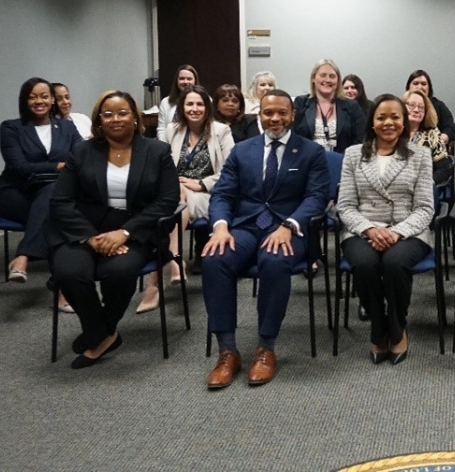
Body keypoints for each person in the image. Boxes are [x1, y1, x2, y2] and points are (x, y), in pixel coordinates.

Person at [201, 89, 330, 389]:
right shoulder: (242, 150)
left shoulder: (310, 152)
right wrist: (220, 226)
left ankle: (265, 348)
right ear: (259, 115)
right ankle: (227, 351)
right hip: (245, 227)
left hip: (288, 230)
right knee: (214, 259)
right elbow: (223, 193)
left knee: (274, 260)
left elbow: (316, 197)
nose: (275, 118)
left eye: (281, 112)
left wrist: (290, 224)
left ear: (292, 114)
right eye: (268, 112)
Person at [47, 90, 177, 369]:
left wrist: (125, 232)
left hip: (137, 230)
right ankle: (104, 334)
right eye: (108, 114)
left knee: (117, 271)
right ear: (98, 120)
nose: (115, 119)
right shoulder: (82, 151)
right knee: (69, 271)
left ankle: (99, 331)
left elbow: (168, 201)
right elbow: (61, 201)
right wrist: (91, 238)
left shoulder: (157, 151)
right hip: (87, 230)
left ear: (135, 117)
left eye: (122, 113)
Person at [338, 95, 436, 365]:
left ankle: (397, 326)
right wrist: (369, 229)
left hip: (408, 230)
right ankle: (379, 328)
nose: (388, 123)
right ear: (372, 121)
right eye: (381, 117)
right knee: (365, 264)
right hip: (362, 229)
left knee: (394, 263)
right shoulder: (353, 154)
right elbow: (345, 206)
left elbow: (426, 208)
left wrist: (397, 232)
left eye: (395, 117)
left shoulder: (420, 156)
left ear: (404, 123)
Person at [138, 86, 234, 313]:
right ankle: (174, 260)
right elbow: (161, 166)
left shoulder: (221, 131)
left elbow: (231, 171)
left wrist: (200, 184)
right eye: (189, 104)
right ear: (182, 107)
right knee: (175, 199)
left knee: (168, 206)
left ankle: (157, 279)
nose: (195, 109)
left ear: (207, 108)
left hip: (208, 195)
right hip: (175, 194)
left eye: (200, 104)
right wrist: (175, 184)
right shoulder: (172, 130)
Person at [0, 77, 82, 311]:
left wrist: (66, 168)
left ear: (52, 100)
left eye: (44, 96)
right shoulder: (11, 127)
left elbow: (80, 158)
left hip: (52, 194)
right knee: (57, 214)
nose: (39, 101)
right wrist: (57, 167)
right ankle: (64, 292)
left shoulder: (66, 126)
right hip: (15, 194)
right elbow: (19, 167)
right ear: (24, 101)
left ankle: (23, 257)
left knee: (54, 210)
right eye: (32, 96)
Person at [293, 59, 366, 154]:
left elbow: (361, 138)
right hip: (307, 162)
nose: (327, 80)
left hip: (343, 162)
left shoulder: (352, 106)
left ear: (338, 81)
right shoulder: (301, 103)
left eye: (332, 76)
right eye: (323, 75)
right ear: (313, 78)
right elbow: (293, 136)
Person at [403, 89, 453, 187]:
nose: (416, 110)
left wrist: (426, 182)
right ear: (402, 107)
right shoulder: (393, 131)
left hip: (424, 187)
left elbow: (444, 169)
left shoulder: (432, 134)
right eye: (411, 105)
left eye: (421, 107)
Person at [405, 69, 455, 146]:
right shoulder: (401, 104)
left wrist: (438, 141)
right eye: (415, 83)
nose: (419, 87)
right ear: (408, 86)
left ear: (429, 87)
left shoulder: (439, 105)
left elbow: (449, 128)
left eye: (423, 84)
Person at [156, 64, 198, 140]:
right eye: (182, 78)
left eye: (189, 79)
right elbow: (161, 130)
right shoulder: (165, 102)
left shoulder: (206, 100)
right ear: (177, 81)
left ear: (195, 80)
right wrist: (166, 148)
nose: (185, 82)